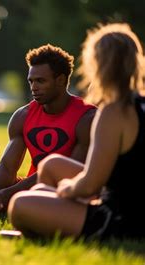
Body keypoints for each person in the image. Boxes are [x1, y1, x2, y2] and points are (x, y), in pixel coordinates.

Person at [8, 23, 145, 240]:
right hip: (129, 205)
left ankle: (36, 229)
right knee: (52, 165)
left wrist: (65, 190)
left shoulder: (113, 111)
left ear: (99, 64)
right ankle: (43, 222)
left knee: (21, 203)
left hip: (121, 221)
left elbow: (91, 183)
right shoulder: (139, 103)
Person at [0, 44, 96, 215]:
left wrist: (6, 194)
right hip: (30, 188)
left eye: (41, 81)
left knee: (7, 197)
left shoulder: (87, 118)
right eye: (31, 81)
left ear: (61, 80)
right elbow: (7, 166)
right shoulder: (23, 116)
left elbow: (70, 174)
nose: (34, 87)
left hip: (66, 190)